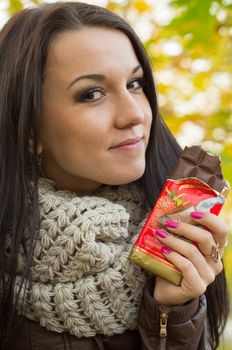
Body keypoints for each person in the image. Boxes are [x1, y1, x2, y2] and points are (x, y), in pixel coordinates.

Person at [0, 2, 229, 349]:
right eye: (92, 94)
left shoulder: (172, 235)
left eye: (135, 84)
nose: (133, 114)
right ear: (30, 129)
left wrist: (171, 311)